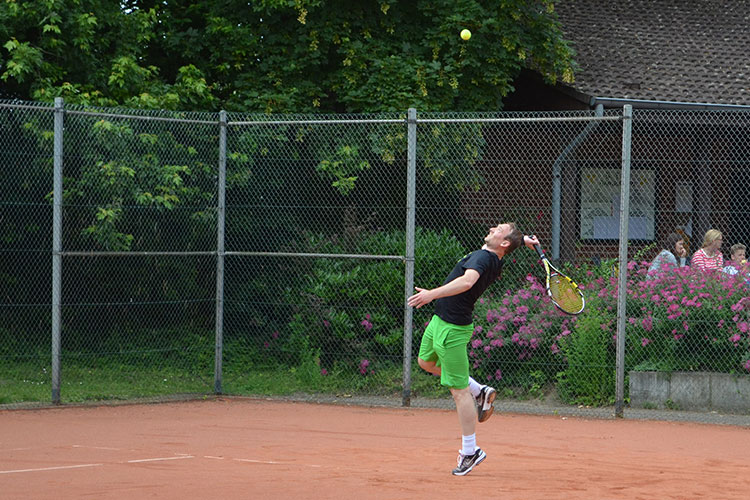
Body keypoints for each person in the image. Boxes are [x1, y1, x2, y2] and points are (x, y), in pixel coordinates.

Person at [407, 222, 538, 476]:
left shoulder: (482, 258)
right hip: (439, 321)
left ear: (503, 243)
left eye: (499, 229)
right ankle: (479, 390)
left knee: (459, 392)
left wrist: (432, 294)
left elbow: (467, 282)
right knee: (425, 362)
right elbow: (505, 245)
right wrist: (523, 241)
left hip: (452, 329)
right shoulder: (494, 258)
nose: (493, 227)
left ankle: (471, 451)